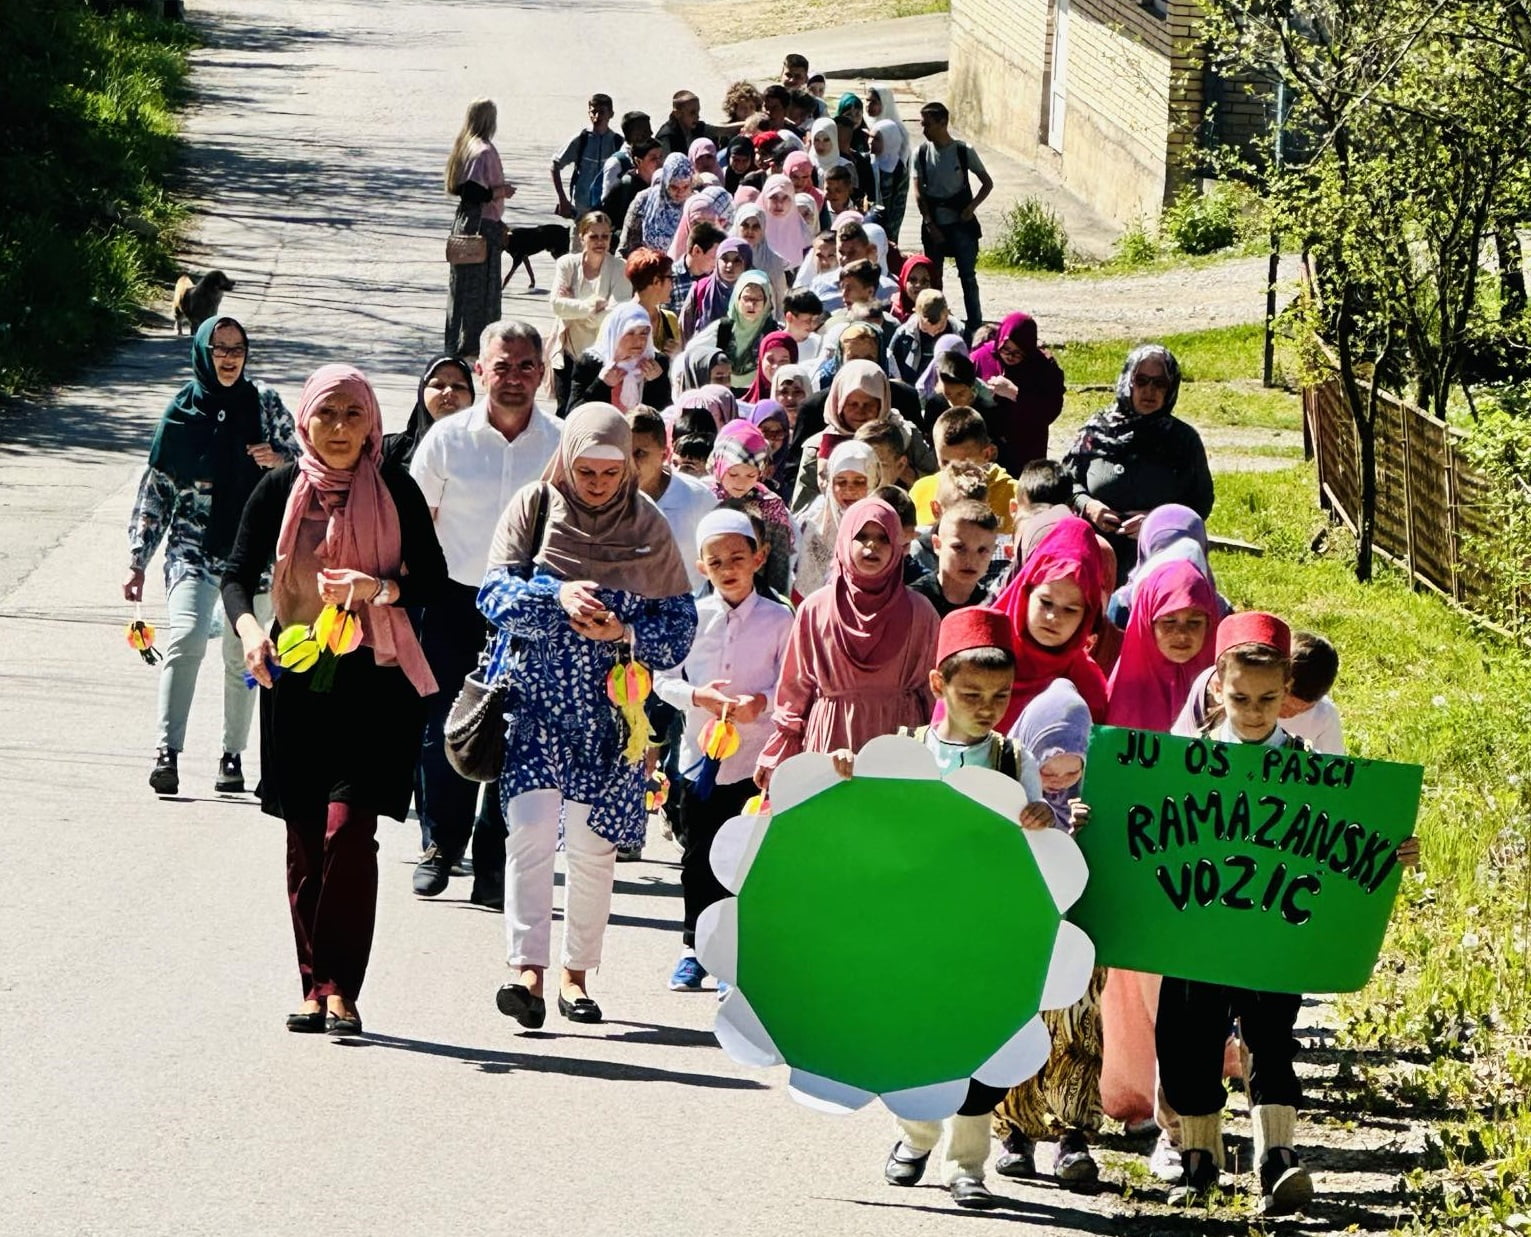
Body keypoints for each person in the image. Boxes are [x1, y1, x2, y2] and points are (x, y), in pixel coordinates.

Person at [223, 364, 448, 1036]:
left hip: (376, 683)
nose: (340, 428)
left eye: (353, 414)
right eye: (327, 413)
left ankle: (339, 986)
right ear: (306, 420)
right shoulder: (279, 489)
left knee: (348, 833)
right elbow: (236, 574)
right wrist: (251, 632)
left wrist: (376, 589)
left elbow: (433, 581)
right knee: (303, 842)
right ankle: (311, 987)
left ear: (372, 422)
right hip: (296, 681)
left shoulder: (395, 488)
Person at [482, 404, 698, 1030]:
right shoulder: (533, 507)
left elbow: (679, 626)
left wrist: (624, 629)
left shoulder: (649, 524)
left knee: (592, 849)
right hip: (535, 706)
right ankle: (526, 969)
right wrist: (557, 595)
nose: (598, 484)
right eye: (586, 470)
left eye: (611, 471)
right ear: (567, 461)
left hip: (612, 720)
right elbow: (493, 595)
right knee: (528, 833)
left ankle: (576, 975)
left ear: (629, 466)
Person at [873, 606, 1054, 1211]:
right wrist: (845, 773)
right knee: (915, 1044)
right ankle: (917, 1133)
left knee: (980, 1048)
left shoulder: (1013, 759)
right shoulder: (903, 751)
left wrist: (1042, 819)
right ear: (938, 686)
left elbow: (1041, 842)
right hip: (914, 935)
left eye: (1000, 695)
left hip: (985, 935)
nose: (987, 707)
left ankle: (967, 1164)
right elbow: (869, 826)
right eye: (971, 694)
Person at [408, 320, 564, 903]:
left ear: (542, 374)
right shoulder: (446, 440)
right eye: (502, 366)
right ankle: (440, 843)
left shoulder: (561, 442)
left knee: (516, 732)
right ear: (480, 371)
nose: (514, 378)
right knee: (445, 724)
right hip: (453, 598)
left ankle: (494, 860)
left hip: (531, 607)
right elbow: (415, 524)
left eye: (526, 367)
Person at [127, 317, 297, 796]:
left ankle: (232, 754)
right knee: (186, 636)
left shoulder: (264, 404)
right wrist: (137, 560)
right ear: (203, 352)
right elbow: (157, 490)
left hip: (254, 550)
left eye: (237, 348)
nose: (228, 358)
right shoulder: (181, 410)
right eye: (219, 348)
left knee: (244, 654)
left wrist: (278, 460)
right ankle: (167, 752)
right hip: (193, 545)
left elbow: (308, 464)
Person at [655, 507, 792, 990]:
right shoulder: (690, 618)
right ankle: (695, 946)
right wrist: (699, 697)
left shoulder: (780, 618)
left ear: (759, 557)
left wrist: (762, 703)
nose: (728, 569)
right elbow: (662, 681)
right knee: (698, 856)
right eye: (715, 562)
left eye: (737, 557)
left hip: (755, 761)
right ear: (701, 566)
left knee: (747, 856)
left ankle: (734, 954)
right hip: (701, 761)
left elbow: (792, 683)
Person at [992, 677, 1104, 1186]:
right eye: (1047, 767)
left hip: (1080, 932)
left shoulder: (1102, 797)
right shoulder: (1006, 790)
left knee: (1077, 1032)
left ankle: (1073, 1136)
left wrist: (1086, 832)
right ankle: (1014, 1132)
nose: (1058, 780)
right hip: (1020, 932)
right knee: (1015, 1025)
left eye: (1072, 769)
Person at [755, 497, 940, 788]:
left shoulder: (921, 611)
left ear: (898, 546)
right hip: (831, 739)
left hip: (899, 743)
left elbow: (933, 692)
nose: (872, 545)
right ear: (843, 540)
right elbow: (795, 687)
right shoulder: (816, 608)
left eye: (883, 538)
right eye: (861, 536)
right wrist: (779, 753)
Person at [1064, 345, 1214, 586]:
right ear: (1128, 382)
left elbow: (1200, 502)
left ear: (1171, 388)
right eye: (1141, 380)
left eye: (1160, 383)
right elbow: (1066, 481)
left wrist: (1159, 520)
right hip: (1094, 559)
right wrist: (1088, 505)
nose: (1149, 391)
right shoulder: (1097, 431)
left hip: (1159, 561)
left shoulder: (1183, 440)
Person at [987, 515, 1110, 732]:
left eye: (1070, 610)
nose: (1053, 617)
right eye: (1045, 602)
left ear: (1086, 618)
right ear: (1026, 594)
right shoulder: (980, 654)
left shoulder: (1089, 689)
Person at [1105, 559, 1218, 732]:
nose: (1182, 634)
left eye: (1194, 622)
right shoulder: (1125, 692)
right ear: (1148, 624)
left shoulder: (1224, 688)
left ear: (1209, 624)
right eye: (1169, 622)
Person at [913, 102, 992, 337]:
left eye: (928, 124)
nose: (924, 129)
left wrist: (972, 207)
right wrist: (929, 223)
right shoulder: (921, 154)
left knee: (967, 276)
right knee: (933, 278)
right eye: (922, 124)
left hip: (961, 226)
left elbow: (987, 183)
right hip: (934, 225)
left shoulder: (963, 151)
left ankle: (975, 325)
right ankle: (935, 322)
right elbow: (918, 192)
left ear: (943, 123)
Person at [445, 98, 512, 357]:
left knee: (461, 286)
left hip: (465, 222)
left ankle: (457, 340)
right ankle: (476, 343)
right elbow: (472, 191)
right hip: (481, 227)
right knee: (482, 289)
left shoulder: (464, 145)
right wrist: (500, 192)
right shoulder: (483, 151)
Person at [548, 212, 633, 414]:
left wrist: (573, 309)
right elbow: (556, 305)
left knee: (594, 414)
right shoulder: (567, 264)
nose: (600, 242)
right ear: (582, 237)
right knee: (564, 414)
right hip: (567, 354)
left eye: (605, 236)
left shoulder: (620, 267)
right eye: (593, 236)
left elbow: (616, 315)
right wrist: (591, 306)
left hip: (600, 358)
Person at [628, 407, 717, 592]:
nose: (630, 463)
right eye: (624, 452)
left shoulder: (697, 497)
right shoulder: (605, 496)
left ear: (665, 455)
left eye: (640, 453)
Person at [706, 421, 795, 597]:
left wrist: (776, 602)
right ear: (719, 465)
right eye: (733, 474)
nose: (741, 482)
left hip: (756, 598)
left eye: (750, 475)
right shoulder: (703, 497)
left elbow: (779, 564)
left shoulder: (770, 505)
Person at [791, 358, 892, 512]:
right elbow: (802, 509)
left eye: (869, 405)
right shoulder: (817, 448)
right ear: (838, 404)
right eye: (852, 404)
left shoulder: (900, 438)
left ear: (882, 404)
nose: (860, 411)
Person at [970, 312, 1066, 473]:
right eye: (1006, 349)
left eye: (1018, 352)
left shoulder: (1044, 368)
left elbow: (1051, 411)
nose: (1010, 356)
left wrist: (1015, 393)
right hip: (987, 448)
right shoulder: (980, 357)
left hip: (1026, 449)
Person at [1107, 503, 1228, 627]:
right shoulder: (1122, 608)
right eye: (1164, 556)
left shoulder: (1222, 614)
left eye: (1184, 554)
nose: (1181, 634)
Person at [794, 439, 880, 600]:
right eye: (841, 482)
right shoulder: (812, 523)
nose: (850, 489)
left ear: (873, 480)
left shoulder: (884, 522)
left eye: (859, 482)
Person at [909, 408, 1017, 533]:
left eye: (964, 464)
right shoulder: (920, 492)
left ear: (987, 454)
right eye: (945, 463)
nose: (953, 471)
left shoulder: (1015, 495)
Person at [567, 301, 671, 415]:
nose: (639, 340)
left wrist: (657, 382)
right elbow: (573, 414)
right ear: (616, 333)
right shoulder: (590, 363)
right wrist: (602, 383)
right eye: (630, 332)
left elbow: (668, 414)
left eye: (644, 333)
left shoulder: (656, 363)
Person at [690, 270, 778, 393]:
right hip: (722, 392)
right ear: (737, 299)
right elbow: (691, 354)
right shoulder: (722, 328)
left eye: (758, 299)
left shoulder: (774, 332)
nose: (751, 304)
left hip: (760, 393)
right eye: (746, 298)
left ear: (766, 301)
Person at [382, 355, 473, 471]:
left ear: (471, 397)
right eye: (438, 385)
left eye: (458, 386)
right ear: (422, 393)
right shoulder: (389, 451)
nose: (449, 391)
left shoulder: (487, 451)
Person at [912, 499, 998, 617]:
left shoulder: (991, 606)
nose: (971, 559)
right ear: (937, 545)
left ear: (993, 551)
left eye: (982, 550)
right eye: (959, 547)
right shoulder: (913, 602)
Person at [551, 93, 622, 223]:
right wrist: (563, 199)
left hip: (609, 208)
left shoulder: (617, 142)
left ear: (611, 114)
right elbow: (555, 166)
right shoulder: (581, 140)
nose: (597, 116)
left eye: (602, 112)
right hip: (582, 207)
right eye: (593, 112)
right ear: (588, 113)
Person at [1279, 632, 1344, 752]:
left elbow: (1332, 759)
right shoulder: (1253, 695)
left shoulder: (1324, 716)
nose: (1288, 714)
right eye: (1284, 705)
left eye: (1300, 710)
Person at [621, 152, 694, 257]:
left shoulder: (697, 205)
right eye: (674, 187)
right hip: (648, 263)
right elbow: (625, 246)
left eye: (685, 187)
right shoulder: (644, 199)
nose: (680, 192)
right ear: (665, 182)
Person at [679, 237, 752, 339]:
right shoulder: (701, 289)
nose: (729, 265)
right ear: (717, 261)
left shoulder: (756, 291)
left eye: (737, 260)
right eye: (724, 259)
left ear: (747, 264)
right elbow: (684, 330)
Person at [867, 86, 912, 240]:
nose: (869, 106)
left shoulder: (897, 130)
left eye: (874, 102)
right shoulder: (867, 124)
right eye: (867, 101)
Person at [890, 289, 961, 385]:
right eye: (925, 329)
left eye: (940, 328)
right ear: (916, 313)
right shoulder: (903, 335)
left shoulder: (960, 332)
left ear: (946, 314)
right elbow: (891, 363)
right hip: (912, 387)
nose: (933, 333)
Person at [626, 247, 683, 361]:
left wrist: (678, 356)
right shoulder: (621, 321)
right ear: (656, 281)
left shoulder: (670, 319)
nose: (672, 285)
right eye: (671, 278)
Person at [600, 137, 663, 233]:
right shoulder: (624, 187)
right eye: (653, 158)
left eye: (661, 157)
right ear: (638, 161)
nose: (659, 163)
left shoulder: (664, 185)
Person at [667, 219, 726, 320]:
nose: (718, 263)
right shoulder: (670, 277)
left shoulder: (719, 279)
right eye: (714, 257)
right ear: (697, 251)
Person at [598, 110, 654, 204]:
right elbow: (607, 202)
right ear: (632, 134)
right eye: (645, 130)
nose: (651, 133)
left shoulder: (650, 156)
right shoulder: (616, 163)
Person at [655, 90, 721, 157]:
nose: (697, 116)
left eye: (698, 112)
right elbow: (666, 161)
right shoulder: (666, 137)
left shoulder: (698, 128)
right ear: (677, 114)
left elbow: (720, 131)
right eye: (692, 113)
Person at [747, 398, 792, 493]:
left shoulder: (791, 471)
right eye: (764, 432)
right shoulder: (736, 467)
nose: (770, 440)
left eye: (778, 433)